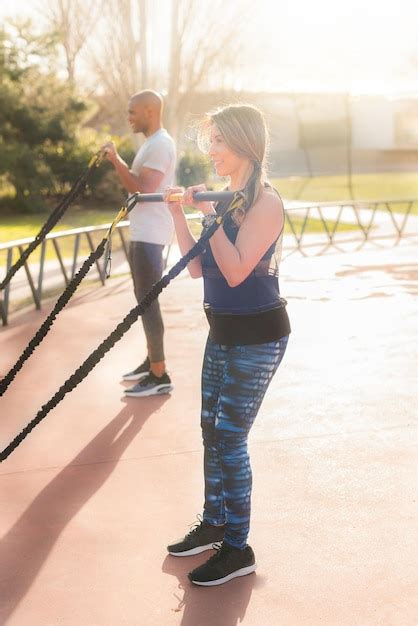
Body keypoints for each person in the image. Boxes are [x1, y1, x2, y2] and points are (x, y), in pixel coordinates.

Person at [163, 104, 291, 586]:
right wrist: (181, 216)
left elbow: (236, 271)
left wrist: (211, 213)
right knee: (209, 430)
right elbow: (198, 267)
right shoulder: (229, 198)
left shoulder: (265, 202)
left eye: (218, 141)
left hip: (259, 336)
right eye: (209, 141)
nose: (211, 151)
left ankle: (238, 547)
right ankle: (214, 523)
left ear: (243, 143)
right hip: (222, 331)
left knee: (230, 437)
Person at [102, 90, 176, 397]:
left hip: (151, 234)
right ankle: (152, 362)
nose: (128, 117)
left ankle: (159, 374)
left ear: (149, 111)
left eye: (133, 112)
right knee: (144, 300)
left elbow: (144, 188)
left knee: (148, 302)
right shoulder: (151, 143)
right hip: (142, 232)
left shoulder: (160, 144)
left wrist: (115, 159)